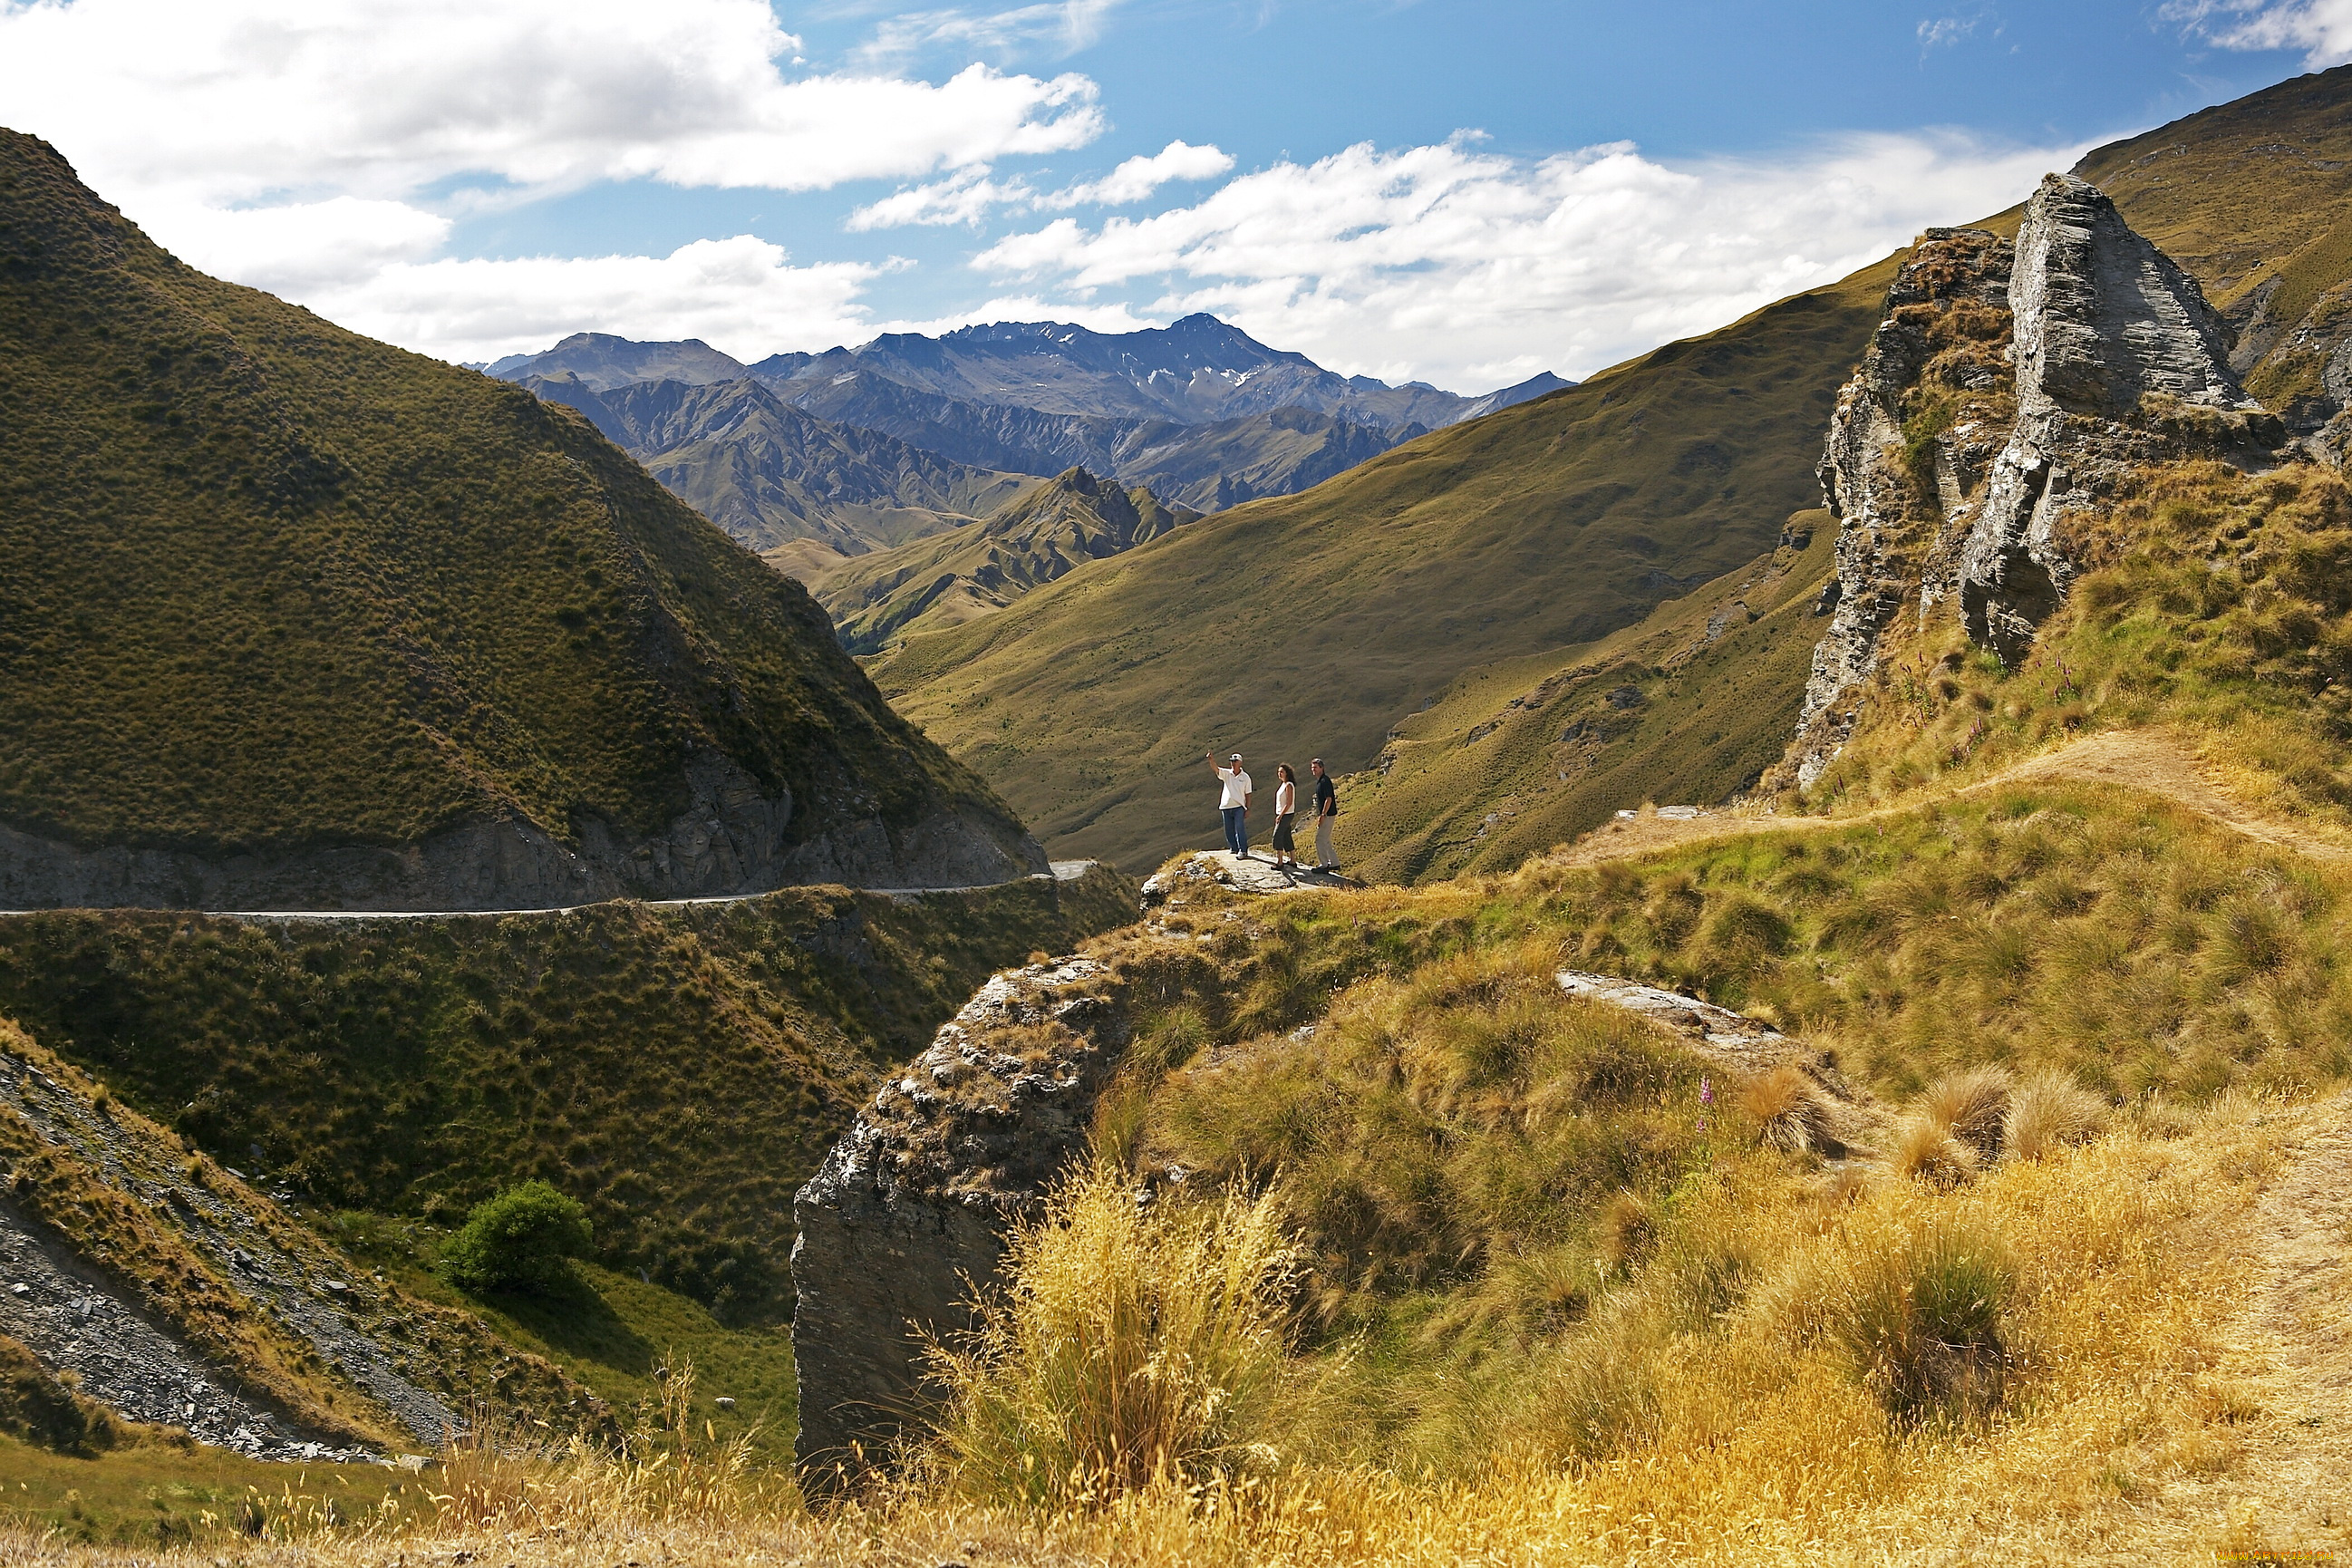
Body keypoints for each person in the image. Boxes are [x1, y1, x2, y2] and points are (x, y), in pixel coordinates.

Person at [1206, 750, 1253, 857]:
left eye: (1235, 761)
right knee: (1228, 829)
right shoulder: (1227, 774)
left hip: (1239, 807)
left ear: (1240, 762)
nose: (1232, 763)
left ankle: (1243, 850)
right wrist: (1211, 760)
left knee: (1239, 827)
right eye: (1231, 761)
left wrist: (1248, 808)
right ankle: (1234, 848)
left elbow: (1248, 794)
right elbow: (1216, 769)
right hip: (1226, 806)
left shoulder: (1245, 777)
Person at [1311, 757, 1340, 874]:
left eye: (1316, 767)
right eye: (1312, 768)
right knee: (1325, 840)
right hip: (1328, 814)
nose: (1313, 770)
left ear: (1322, 768)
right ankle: (1334, 863)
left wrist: (1323, 814)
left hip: (1328, 814)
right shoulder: (1321, 781)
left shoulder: (1324, 781)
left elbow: (1329, 799)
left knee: (1320, 839)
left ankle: (1324, 865)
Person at [1268, 764, 1299, 869]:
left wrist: (1280, 815)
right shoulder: (1283, 784)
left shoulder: (1288, 785)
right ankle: (1292, 860)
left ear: (1287, 773)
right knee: (1286, 836)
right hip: (1283, 813)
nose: (1279, 774)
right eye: (1278, 772)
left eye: (1282, 772)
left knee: (1277, 836)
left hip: (1286, 814)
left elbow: (1289, 802)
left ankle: (1280, 862)